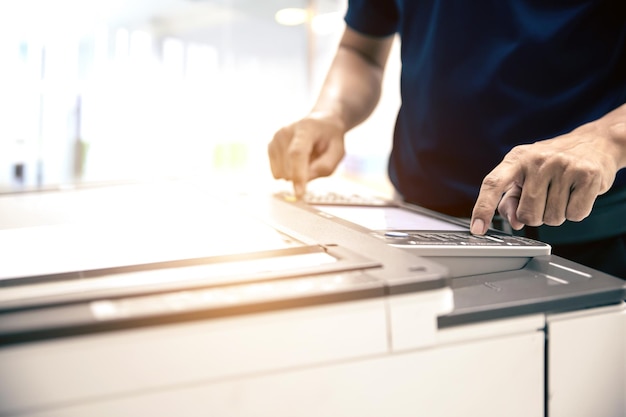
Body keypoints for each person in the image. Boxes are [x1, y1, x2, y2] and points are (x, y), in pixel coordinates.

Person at [268, 1, 626, 279]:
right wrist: (330, 114)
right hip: (416, 226)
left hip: (587, 239)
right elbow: (361, 49)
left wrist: (605, 140)